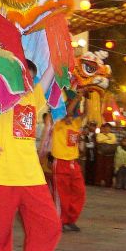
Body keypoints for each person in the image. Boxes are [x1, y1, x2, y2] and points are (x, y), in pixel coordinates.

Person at [0, 61, 61, 251]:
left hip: (31, 177)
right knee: (0, 235)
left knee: (50, 227)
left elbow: (51, 73)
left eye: (31, 77)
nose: (27, 80)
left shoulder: (34, 98)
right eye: (24, 75)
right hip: (2, 177)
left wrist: (60, 49)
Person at [50, 97, 85, 232]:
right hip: (60, 163)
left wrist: (90, 96)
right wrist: (77, 97)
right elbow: (65, 112)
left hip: (73, 164)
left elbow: (86, 113)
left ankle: (70, 219)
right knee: (61, 195)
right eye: (69, 114)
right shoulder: (58, 123)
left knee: (79, 192)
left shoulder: (75, 124)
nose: (70, 116)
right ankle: (60, 221)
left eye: (72, 114)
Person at [95, 123, 117, 187]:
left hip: (109, 154)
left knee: (108, 168)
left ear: (110, 129)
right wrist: (107, 139)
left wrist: (104, 140)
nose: (107, 129)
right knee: (100, 167)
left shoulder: (113, 135)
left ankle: (108, 182)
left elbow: (113, 141)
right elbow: (98, 140)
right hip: (101, 153)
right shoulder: (99, 134)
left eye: (108, 128)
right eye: (105, 127)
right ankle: (98, 181)